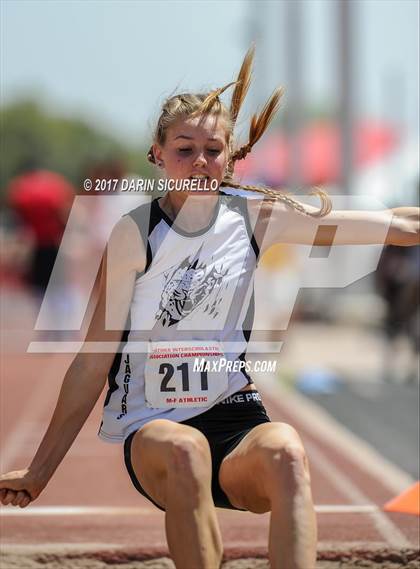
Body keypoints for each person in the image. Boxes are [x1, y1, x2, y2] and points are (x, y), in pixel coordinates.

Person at [1, 47, 419, 569]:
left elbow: (398, 226)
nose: (200, 161)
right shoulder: (135, 235)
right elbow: (92, 360)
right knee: (186, 453)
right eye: (184, 149)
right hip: (154, 424)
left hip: (235, 418)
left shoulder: (259, 218)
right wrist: (39, 471)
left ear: (230, 156)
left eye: (213, 149)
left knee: (288, 452)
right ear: (156, 154)